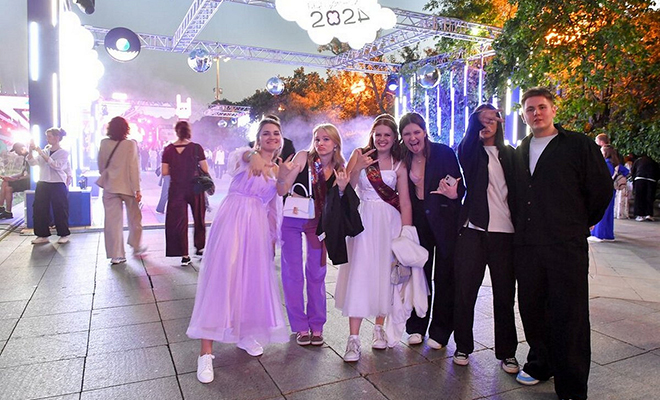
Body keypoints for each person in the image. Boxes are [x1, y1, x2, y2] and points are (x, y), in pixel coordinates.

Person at [512, 87, 612, 400]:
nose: (536, 113)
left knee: (569, 314)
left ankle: (571, 384)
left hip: (565, 245)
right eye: (530, 109)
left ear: (554, 110)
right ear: (524, 115)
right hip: (528, 246)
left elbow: (601, 189)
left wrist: (579, 223)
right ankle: (541, 364)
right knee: (532, 308)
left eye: (542, 107)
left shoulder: (578, 145)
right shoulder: (520, 150)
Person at [186, 117, 289, 383]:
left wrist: (272, 237)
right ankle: (205, 353)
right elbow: (240, 155)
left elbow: (273, 205)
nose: (271, 137)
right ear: (258, 138)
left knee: (250, 281)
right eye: (266, 133)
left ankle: (245, 334)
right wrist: (252, 154)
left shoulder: (277, 169)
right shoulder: (246, 156)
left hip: (256, 227)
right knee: (222, 279)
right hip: (232, 222)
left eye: (276, 133)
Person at [334, 114, 413, 362]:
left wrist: (407, 232)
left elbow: (405, 201)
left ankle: (379, 327)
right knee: (360, 273)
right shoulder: (360, 155)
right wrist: (357, 167)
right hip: (364, 220)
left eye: (387, 135)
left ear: (394, 138)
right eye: (378, 134)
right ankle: (353, 338)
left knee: (385, 274)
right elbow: (347, 188)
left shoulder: (400, 164)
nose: (382, 139)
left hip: (390, 222)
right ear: (372, 135)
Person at [453, 105, 519, 372]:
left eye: (492, 119)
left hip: (505, 233)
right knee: (465, 291)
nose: (487, 124)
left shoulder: (511, 154)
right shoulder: (470, 151)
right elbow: (466, 145)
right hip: (474, 230)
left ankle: (507, 353)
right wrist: (476, 127)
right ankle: (462, 346)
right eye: (482, 120)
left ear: (500, 123)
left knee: (504, 295)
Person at [276, 124, 349, 347]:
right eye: (317, 139)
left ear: (335, 143)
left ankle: (317, 325)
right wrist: (282, 175)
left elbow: (342, 202)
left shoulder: (340, 167)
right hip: (292, 218)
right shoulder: (304, 157)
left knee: (317, 273)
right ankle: (300, 326)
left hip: (319, 223)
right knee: (293, 273)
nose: (320, 143)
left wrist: (342, 188)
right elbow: (283, 189)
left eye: (326, 139)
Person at [398, 112, 464, 351]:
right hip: (418, 223)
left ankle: (441, 331)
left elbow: (460, 186)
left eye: (416, 132)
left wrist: (453, 194)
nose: (413, 138)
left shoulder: (444, 153)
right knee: (419, 275)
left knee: (445, 277)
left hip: (445, 221)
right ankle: (416, 327)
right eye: (407, 134)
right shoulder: (402, 157)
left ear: (425, 132)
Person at [98, 116, 146, 264]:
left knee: (112, 222)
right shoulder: (130, 144)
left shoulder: (104, 143)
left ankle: (116, 255)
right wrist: (137, 189)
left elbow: (101, 166)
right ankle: (136, 245)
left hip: (110, 187)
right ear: (126, 129)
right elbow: (134, 167)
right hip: (128, 188)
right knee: (135, 218)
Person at [162, 121, 209, 266]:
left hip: (176, 189)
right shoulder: (196, 148)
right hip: (195, 187)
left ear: (176, 132)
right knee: (199, 217)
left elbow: (164, 172)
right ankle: (200, 247)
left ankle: (184, 255)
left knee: (178, 221)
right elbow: (205, 169)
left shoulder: (168, 149)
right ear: (188, 131)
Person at [27, 127, 72, 244]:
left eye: (49, 136)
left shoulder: (63, 152)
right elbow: (33, 163)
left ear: (57, 138)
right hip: (43, 182)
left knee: (60, 208)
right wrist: (30, 151)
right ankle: (42, 235)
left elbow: (57, 165)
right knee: (39, 208)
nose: (47, 139)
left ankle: (63, 233)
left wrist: (41, 153)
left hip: (57, 183)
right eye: (47, 136)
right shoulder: (45, 151)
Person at [590, 146, 629, 241]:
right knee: (608, 212)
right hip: (612, 190)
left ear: (605, 153)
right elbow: (626, 172)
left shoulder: (606, 163)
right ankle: (608, 234)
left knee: (601, 212)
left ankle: (599, 234)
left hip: (603, 189)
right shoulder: (616, 164)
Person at [0, 143, 30, 219]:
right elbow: (23, 173)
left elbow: (30, 175)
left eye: (16, 150)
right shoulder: (25, 158)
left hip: (28, 182)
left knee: (5, 183)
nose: (16, 153)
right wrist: (11, 177)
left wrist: (16, 179)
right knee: (8, 188)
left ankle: (1, 207)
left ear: (21, 148)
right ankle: (8, 212)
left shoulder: (29, 157)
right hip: (23, 180)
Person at [630, 154, 659, 222]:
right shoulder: (654, 162)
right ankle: (649, 214)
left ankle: (639, 215)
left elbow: (633, 171)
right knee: (649, 197)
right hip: (651, 179)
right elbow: (658, 172)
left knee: (639, 197)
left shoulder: (638, 161)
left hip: (640, 178)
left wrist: (634, 180)